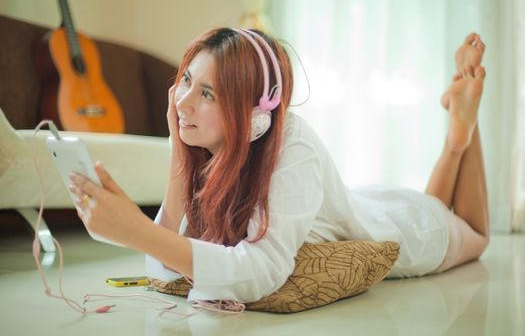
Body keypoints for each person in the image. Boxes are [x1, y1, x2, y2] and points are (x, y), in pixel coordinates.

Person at [69, 29, 489, 303]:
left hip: (409, 232)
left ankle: (465, 130)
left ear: (254, 119)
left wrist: (137, 231)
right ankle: (456, 135)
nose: (182, 102)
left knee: (475, 233)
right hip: (371, 202)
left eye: (209, 94)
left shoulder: (295, 144)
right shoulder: (204, 143)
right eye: (186, 81)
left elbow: (262, 270)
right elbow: (163, 263)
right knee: (431, 201)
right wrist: (179, 156)